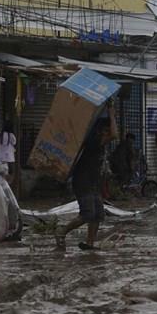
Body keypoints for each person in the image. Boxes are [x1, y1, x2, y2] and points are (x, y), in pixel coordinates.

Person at [56, 101, 118, 251]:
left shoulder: (98, 142)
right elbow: (115, 134)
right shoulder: (93, 141)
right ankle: (61, 232)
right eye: (105, 131)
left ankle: (90, 243)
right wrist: (111, 112)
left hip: (93, 183)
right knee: (87, 214)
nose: (107, 133)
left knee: (98, 215)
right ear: (99, 131)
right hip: (83, 182)